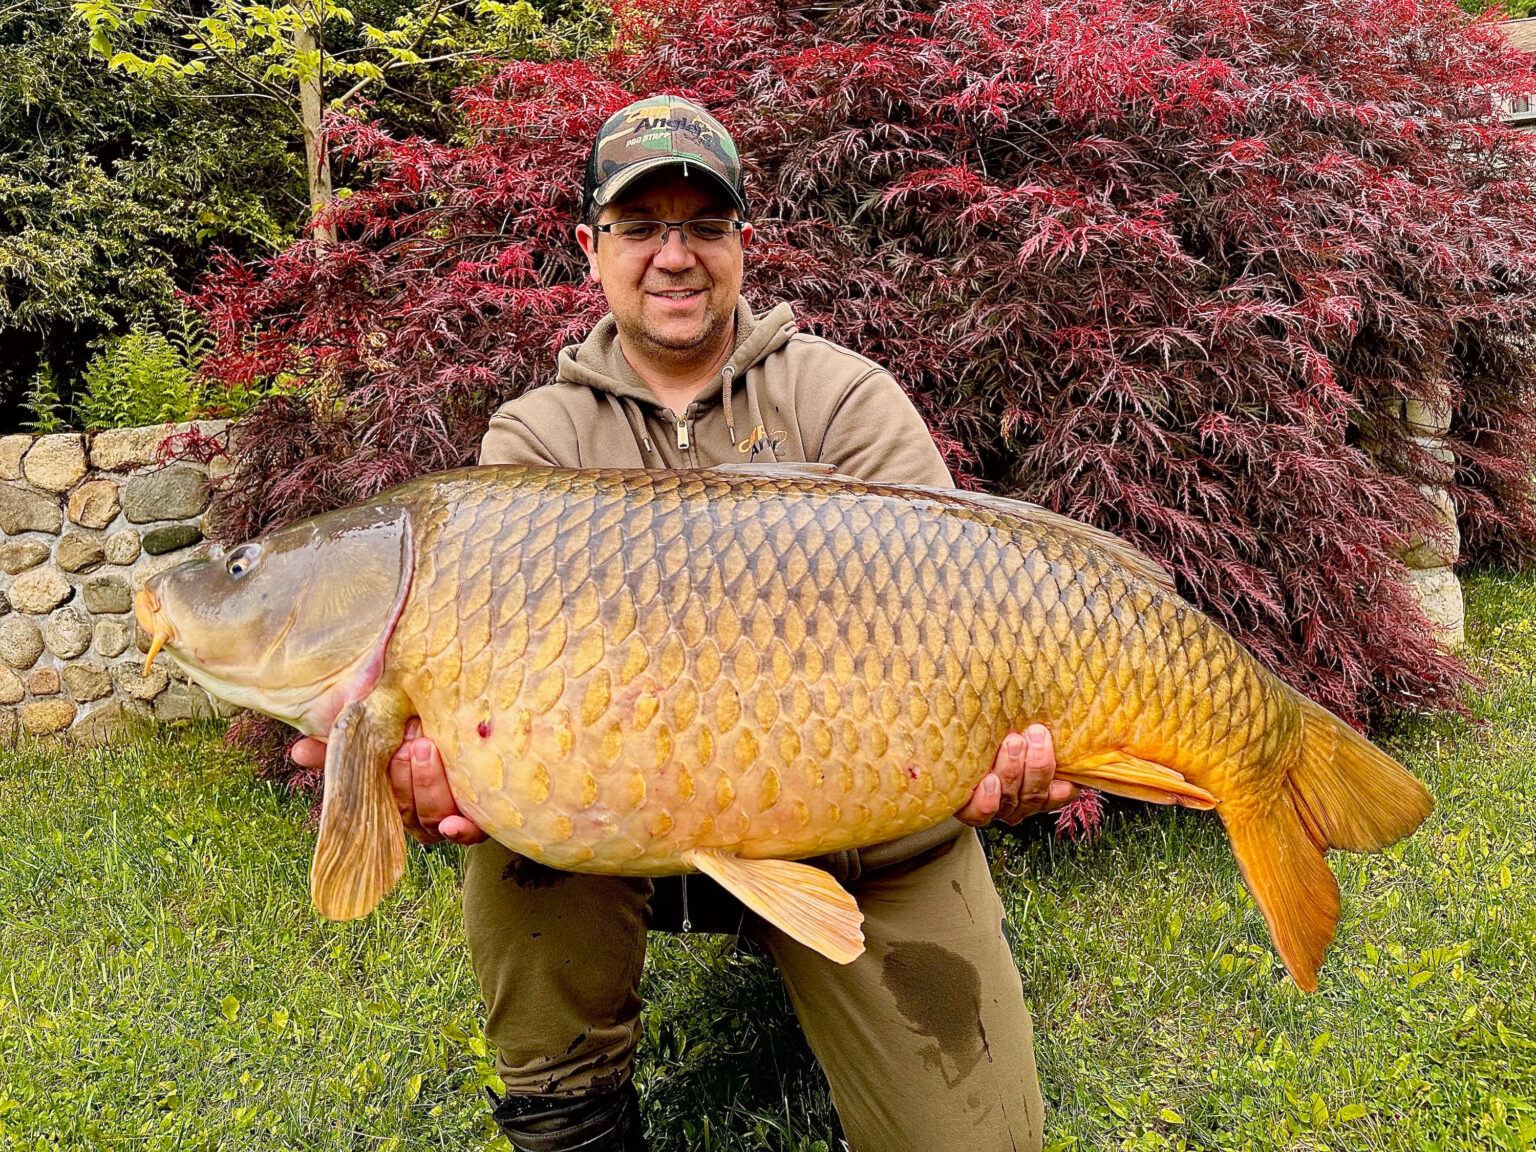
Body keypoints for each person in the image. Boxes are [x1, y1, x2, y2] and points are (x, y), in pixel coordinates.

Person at [291, 95, 1076, 1152]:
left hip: (864, 837)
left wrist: (1010, 760)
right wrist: (432, 771)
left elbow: (975, 608)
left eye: (704, 226)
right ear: (590, 247)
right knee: (523, 841)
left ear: (743, 244)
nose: (675, 255)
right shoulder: (537, 438)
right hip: (611, 848)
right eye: (640, 225)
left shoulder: (846, 403)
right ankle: (570, 1115)